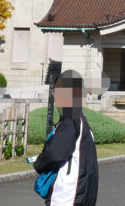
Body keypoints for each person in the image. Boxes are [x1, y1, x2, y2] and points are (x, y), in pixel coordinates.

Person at [34, 70, 98, 205]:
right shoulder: (81, 120)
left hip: (69, 195)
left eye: (56, 91)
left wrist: (39, 163)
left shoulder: (70, 119)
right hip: (82, 193)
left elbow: (55, 153)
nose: (54, 96)